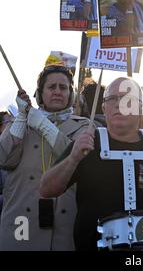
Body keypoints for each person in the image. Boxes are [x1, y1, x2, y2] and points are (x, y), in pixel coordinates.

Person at [40, 77, 143, 251]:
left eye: (128, 99)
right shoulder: (86, 144)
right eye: (112, 99)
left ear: (140, 108)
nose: (119, 104)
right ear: (104, 107)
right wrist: (73, 158)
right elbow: (46, 189)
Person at [0, 64, 89, 250]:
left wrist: (42, 124)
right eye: (51, 87)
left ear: (71, 95)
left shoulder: (84, 127)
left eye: (63, 87)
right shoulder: (22, 123)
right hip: (21, 228)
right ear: (40, 94)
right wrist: (21, 119)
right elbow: (4, 158)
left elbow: (77, 157)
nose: (57, 92)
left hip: (66, 232)